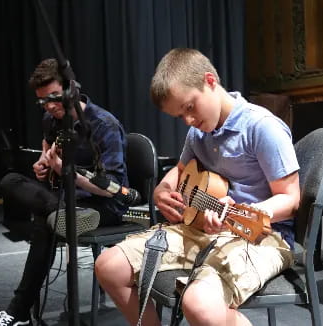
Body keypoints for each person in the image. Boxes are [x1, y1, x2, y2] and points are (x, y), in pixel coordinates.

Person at [95, 48, 300, 326]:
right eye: (180, 116)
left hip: (261, 236)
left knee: (198, 305)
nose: (189, 121)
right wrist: (161, 191)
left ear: (210, 81)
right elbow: (178, 175)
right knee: (109, 267)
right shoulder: (198, 133)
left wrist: (246, 209)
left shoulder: (262, 127)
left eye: (190, 108)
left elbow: (291, 199)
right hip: (203, 229)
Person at [0, 58, 129, 326]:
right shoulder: (50, 120)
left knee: (46, 223)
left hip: (103, 207)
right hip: (67, 201)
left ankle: (18, 310)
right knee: (10, 181)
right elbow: (48, 150)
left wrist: (68, 172)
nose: (50, 106)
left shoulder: (104, 125)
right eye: (43, 101)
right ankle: (59, 213)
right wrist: (44, 164)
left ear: (71, 90)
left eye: (55, 98)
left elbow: (112, 190)